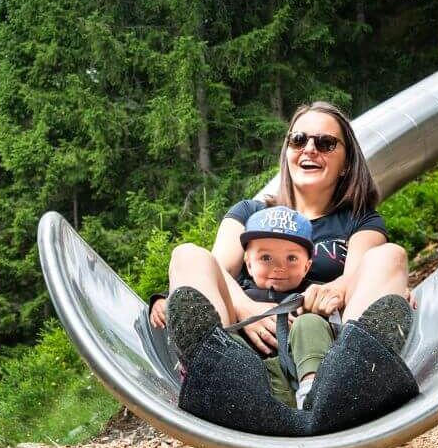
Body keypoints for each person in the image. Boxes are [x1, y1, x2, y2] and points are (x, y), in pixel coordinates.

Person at [149, 101, 414, 351]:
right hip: (242, 339)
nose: (309, 149)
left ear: (346, 163)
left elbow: (354, 278)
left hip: (322, 340)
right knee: (187, 254)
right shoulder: (249, 212)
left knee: (390, 256)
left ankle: (352, 364)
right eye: (298, 140)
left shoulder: (361, 220)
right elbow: (215, 269)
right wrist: (248, 309)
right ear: (287, 152)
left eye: (325, 143)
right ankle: (214, 362)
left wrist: (363, 288)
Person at [216, 205, 334, 409]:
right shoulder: (239, 294)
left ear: (307, 266)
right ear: (248, 264)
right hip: (258, 383)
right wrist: (163, 299)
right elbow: (201, 288)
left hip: (300, 373)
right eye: (266, 258)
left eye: (292, 258)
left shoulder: (311, 292)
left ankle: (313, 395)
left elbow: (343, 298)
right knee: (226, 338)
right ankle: (236, 401)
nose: (279, 267)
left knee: (310, 323)